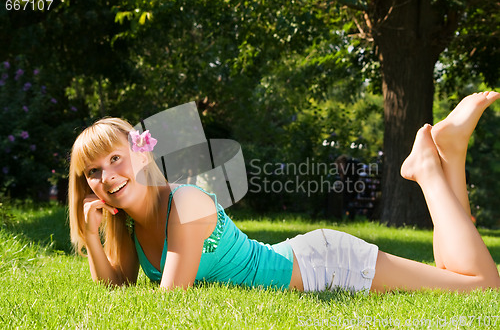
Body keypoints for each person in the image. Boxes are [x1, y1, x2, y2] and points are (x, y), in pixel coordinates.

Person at [68, 92, 500, 293]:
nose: (105, 176)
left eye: (114, 159)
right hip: (304, 258)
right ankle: (452, 153)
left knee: (482, 287)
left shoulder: (183, 203)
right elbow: (119, 287)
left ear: (142, 156)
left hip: (326, 266)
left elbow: (171, 300)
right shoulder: (124, 220)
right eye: (92, 171)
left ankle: (427, 168)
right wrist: (91, 239)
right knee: (455, 275)